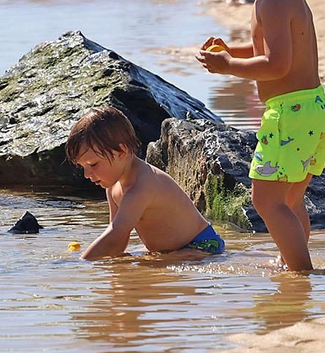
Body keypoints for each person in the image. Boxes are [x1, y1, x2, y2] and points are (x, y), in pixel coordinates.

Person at [195, 0, 325, 272]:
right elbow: (268, 51)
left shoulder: (271, 2)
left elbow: (276, 65)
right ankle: (295, 262)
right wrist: (230, 50)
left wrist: (228, 67)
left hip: (291, 112)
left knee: (267, 202)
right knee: (289, 200)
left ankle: (300, 274)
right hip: (313, 107)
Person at [66, 106, 225, 260]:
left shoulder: (142, 185)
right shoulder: (113, 187)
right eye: (82, 167)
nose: (86, 174)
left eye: (93, 165)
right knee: (130, 262)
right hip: (169, 249)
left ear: (122, 152)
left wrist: (83, 263)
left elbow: (115, 234)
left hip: (203, 245)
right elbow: (117, 240)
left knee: (148, 263)